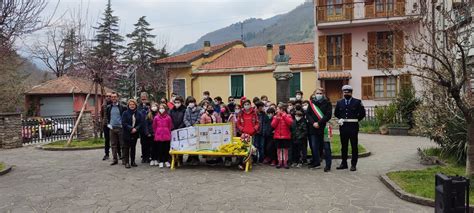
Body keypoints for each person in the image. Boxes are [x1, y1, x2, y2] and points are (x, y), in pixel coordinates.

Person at [334, 85, 365, 171]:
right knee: (344, 146)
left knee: (354, 146)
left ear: (351, 92)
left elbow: (362, 114)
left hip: (353, 127)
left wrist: (355, 119)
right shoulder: (339, 102)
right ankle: (344, 163)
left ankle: (353, 164)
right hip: (343, 127)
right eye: (345, 92)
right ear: (343, 93)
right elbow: (336, 113)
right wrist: (341, 119)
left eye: (348, 92)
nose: (346, 93)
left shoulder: (357, 102)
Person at [306, 88, 333, 171]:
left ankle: (328, 165)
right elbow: (308, 114)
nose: (319, 95)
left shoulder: (328, 103)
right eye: (317, 93)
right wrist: (313, 123)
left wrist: (319, 123)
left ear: (323, 94)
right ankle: (316, 163)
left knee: (326, 147)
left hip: (324, 128)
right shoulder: (311, 103)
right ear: (314, 94)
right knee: (314, 146)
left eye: (320, 93)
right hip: (313, 128)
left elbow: (328, 115)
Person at [121, 99, 143, 168]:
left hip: (135, 133)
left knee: (133, 148)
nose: (132, 106)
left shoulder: (138, 113)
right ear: (128, 105)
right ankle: (127, 162)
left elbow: (140, 123)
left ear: (136, 105)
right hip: (127, 133)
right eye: (130, 104)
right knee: (126, 148)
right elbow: (124, 123)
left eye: (133, 104)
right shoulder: (125, 113)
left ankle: (133, 161)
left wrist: (136, 129)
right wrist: (131, 128)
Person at [106, 92, 126, 166]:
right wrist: (109, 124)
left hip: (120, 128)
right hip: (112, 128)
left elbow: (125, 117)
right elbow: (107, 117)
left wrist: (123, 125)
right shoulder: (108, 107)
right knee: (113, 145)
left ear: (118, 98)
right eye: (112, 97)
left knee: (122, 144)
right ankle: (115, 159)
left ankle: (124, 159)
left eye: (115, 97)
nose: (113, 98)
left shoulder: (122, 107)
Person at [271, 103, 293, 169]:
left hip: (286, 136)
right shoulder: (275, 116)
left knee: (285, 150)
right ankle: (279, 162)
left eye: (277, 109)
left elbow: (290, 123)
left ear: (281, 109)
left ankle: (285, 162)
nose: (276, 110)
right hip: (277, 136)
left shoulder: (288, 115)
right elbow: (273, 125)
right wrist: (277, 118)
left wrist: (284, 116)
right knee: (279, 150)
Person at [152, 103, 173, 168]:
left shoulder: (168, 117)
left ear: (165, 109)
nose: (161, 109)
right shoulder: (156, 117)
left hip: (166, 135)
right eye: (160, 108)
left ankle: (166, 161)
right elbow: (154, 126)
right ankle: (161, 161)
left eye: (163, 108)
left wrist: (167, 132)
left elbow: (170, 126)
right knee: (160, 149)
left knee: (166, 149)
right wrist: (157, 133)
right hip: (159, 135)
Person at [183, 97, 201, 165]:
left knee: (196, 143)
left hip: (196, 128)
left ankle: (196, 158)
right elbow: (185, 119)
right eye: (189, 102)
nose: (191, 104)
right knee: (189, 143)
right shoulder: (187, 110)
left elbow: (199, 118)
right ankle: (190, 157)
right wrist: (189, 125)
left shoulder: (198, 109)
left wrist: (195, 125)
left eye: (192, 102)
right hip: (189, 129)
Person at [138, 92, 151, 164]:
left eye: (144, 98)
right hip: (142, 128)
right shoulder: (138, 106)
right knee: (143, 143)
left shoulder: (150, 105)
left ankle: (148, 156)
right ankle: (144, 156)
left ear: (147, 98)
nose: (143, 100)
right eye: (142, 99)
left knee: (149, 143)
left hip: (149, 128)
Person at [101, 92, 113, 160]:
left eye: (109, 96)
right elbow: (102, 115)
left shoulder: (114, 105)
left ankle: (119, 153)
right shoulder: (103, 105)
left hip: (113, 124)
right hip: (106, 124)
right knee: (107, 139)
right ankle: (106, 154)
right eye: (107, 96)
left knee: (116, 140)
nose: (108, 97)